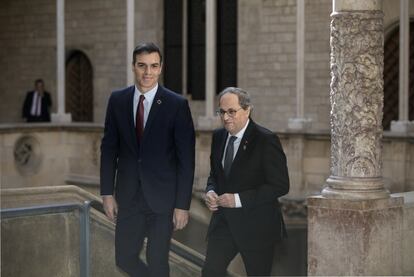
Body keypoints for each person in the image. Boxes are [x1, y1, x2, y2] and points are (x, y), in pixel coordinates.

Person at [100, 42, 195, 277]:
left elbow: (187, 160)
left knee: (158, 262)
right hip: (129, 198)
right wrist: (106, 193)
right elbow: (109, 149)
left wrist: (182, 205)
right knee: (124, 258)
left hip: (162, 201)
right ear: (134, 66)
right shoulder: (117, 100)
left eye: (153, 66)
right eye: (142, 65)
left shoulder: (176, 104)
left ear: (161, 68)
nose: (147, 72)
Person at [202, 87, 290, 277]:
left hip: (257, 226)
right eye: (222, 112)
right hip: (223, 223)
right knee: (210, 272)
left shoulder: (266, 139)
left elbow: (281, 185)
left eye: (231, 111)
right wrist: (210, 191)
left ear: (247, 110)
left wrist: (238, 199)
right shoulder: (218, 137)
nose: (225, 118)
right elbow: (215, 175)